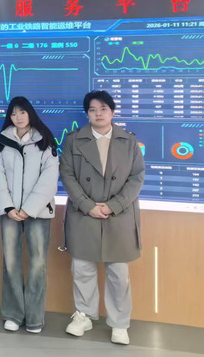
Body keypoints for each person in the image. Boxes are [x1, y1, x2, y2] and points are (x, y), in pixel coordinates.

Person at [60, 90, 145, 345]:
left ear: (112, 112)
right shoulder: (74, 140)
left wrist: (112, 206)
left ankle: (119, 323)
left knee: (118, 272)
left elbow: (137, 177)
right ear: (87, 114)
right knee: (82, 268)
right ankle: (84, 315)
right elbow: (67, 175)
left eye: (103, 109)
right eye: (93, 109)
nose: (98, 113)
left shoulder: (128, 140)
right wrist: (88, 205)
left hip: (118, 214)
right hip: (84, 212)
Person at [0, 96, 59, 334]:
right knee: (10, 263)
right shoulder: (3, 142)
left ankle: (34, 317)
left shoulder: (45, 141)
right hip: (9, 213)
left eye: (22, 112)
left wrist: (28, 209)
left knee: (37, 264)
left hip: (38, 213)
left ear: (30, 113)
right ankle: (13, 314)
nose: (17, 117)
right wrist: (8, 208)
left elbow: (49, 180)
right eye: (13, 113)